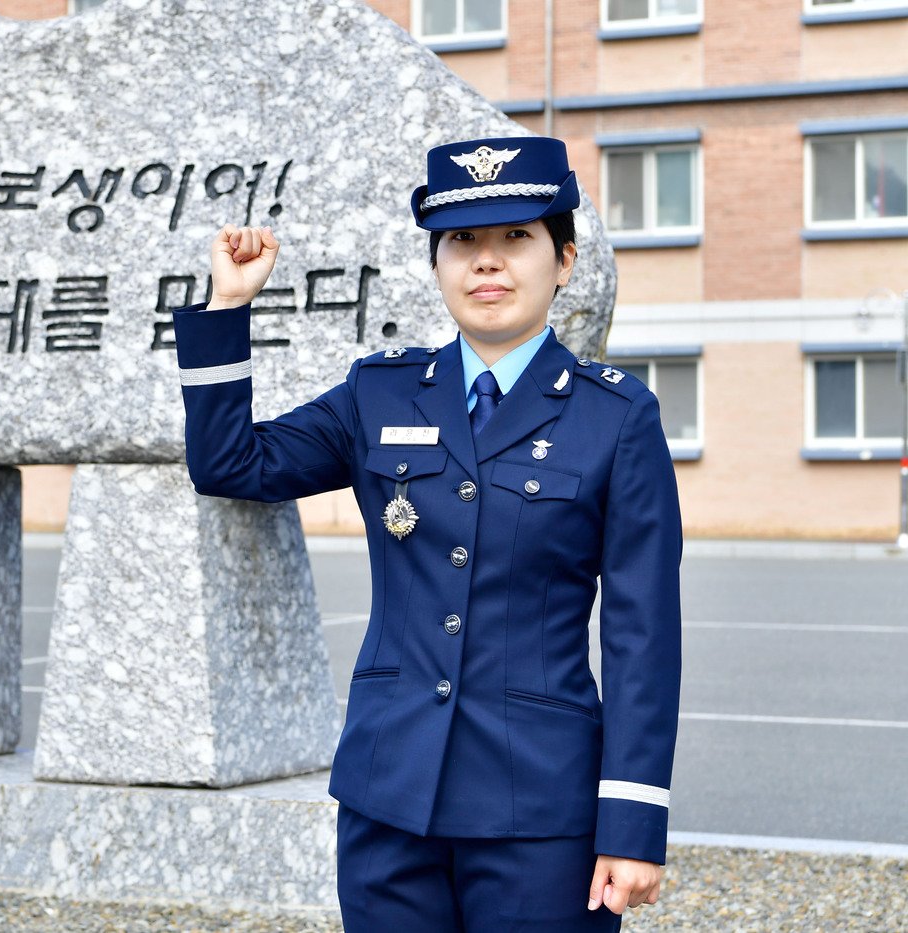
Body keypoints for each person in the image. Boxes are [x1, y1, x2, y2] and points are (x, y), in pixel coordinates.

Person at [171, 136, 682, 931]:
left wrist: (633, 824)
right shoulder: (381, 394)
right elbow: (232, 464)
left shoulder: (614, 418)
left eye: (517, 239)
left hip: (540, 814)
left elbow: (642, 633)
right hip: (389, 799)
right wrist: (229, 306)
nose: (488, 263)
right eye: (463, 243)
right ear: (439, 265)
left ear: (565, 260)